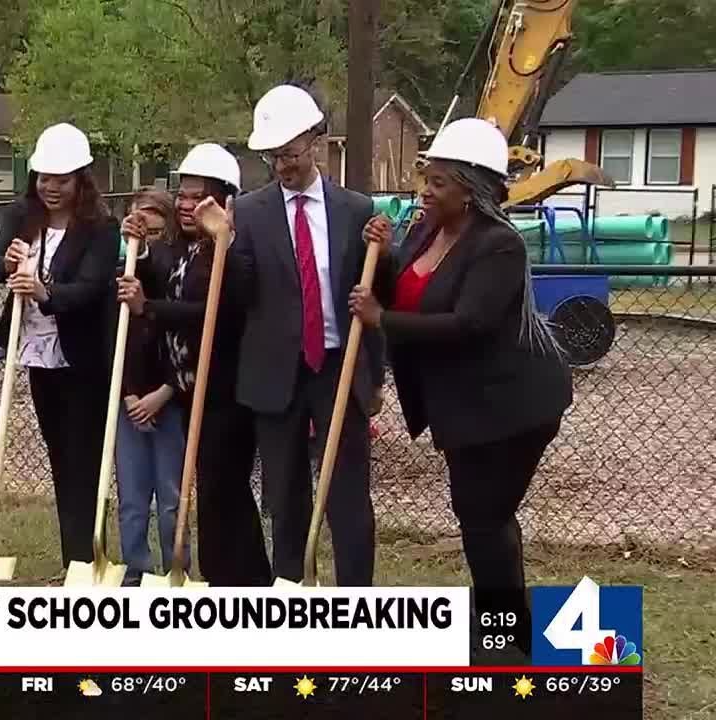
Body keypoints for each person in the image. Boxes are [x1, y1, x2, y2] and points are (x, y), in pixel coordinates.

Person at [348, 118, 573, 654]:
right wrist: (377, 255)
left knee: (483, 514)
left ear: (470, 192)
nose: (425, 190)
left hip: (511, 405)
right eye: (427, 178)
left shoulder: (499, 247)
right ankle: (502, 623)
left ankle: (505, 635)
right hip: (465, 403)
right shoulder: (426, 231)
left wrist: (381, 320)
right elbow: (403, 290)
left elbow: (470, 323)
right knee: (481, 514)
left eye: (439, 183)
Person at [225, 85, 389, 586]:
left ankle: (357, 598)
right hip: (275, 374)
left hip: (338, 368)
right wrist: (225, 245)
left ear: (315, 142)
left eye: (290, 154)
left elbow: (374, 296)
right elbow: (238, 294)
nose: (282, 165)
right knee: (284, 494)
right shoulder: (249, 213)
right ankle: (291, 590)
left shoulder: (355, 210)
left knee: (347, 496)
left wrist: (374, 376)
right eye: (273, 156)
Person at [119, 144, 271, 586]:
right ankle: (227, 579)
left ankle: (242, 583)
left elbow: (218, 312)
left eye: (197, 197)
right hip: (193, 392)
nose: (186, 206)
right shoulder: (187, 247)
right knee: (214, 494)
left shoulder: (231, 249)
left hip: (226, 390)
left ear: (225, 201)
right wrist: (142, 253)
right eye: (182, 196)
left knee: (224, 492)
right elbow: (166, 278)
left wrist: (151, 307)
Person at [0, 122, 120, 568]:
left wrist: (46, 292)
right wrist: (4, 262)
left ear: (81, 179)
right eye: (44, 179)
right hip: (38, 355)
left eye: (61, 180)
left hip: (83, 359)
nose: (51, 188)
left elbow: (93, 286)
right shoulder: (22, 217)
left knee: (85, 461)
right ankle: (73, 561)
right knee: (60, 458)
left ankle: (89, 557)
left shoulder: (100, 228)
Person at [111, 188, 187, 586]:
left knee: (172, 499)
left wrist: (163, 393)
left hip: (169, 398)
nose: (145, 230)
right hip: (128, 400)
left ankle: (178, 569)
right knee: (133, 499)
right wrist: (128, 395)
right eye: (138, 219)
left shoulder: (176, 266)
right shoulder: (120, 267)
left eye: (155, 224)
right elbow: (114, 339)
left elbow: (183, 339)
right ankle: (135, 571)